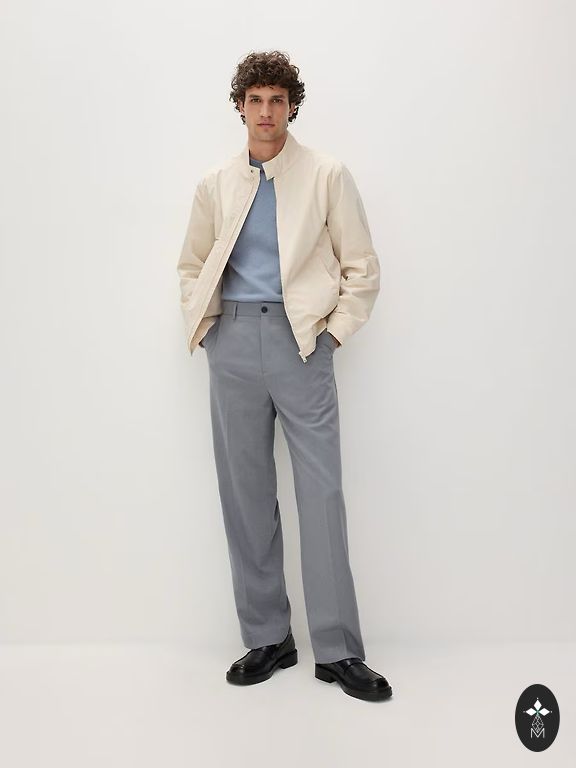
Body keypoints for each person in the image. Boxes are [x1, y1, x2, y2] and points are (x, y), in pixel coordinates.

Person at [177, 50, 392, 702]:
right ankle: (268, 637)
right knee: (246, 496)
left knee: (321, 495)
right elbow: (191, 264)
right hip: (234, 341)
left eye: (277, 100)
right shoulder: (217, 182)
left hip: (302, 343)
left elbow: (362, 267)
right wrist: (210, 330)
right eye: (255, 100)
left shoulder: (326, 174)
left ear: (292, 106)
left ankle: (338, 649)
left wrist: (332, 334)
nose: (266, 112)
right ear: (240, 106)